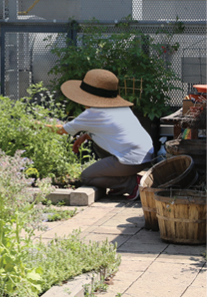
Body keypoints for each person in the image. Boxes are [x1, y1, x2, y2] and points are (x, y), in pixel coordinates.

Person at [51, 69, 153, 201]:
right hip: (145, 156)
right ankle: (121, 181)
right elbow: (110, 131)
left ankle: (132, 184)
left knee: (87, 176)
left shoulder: (94, 113)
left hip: (131, 160)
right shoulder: (119, 107)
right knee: (95, 141)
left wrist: (37, 126)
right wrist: (84, 136)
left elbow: (61, 130)